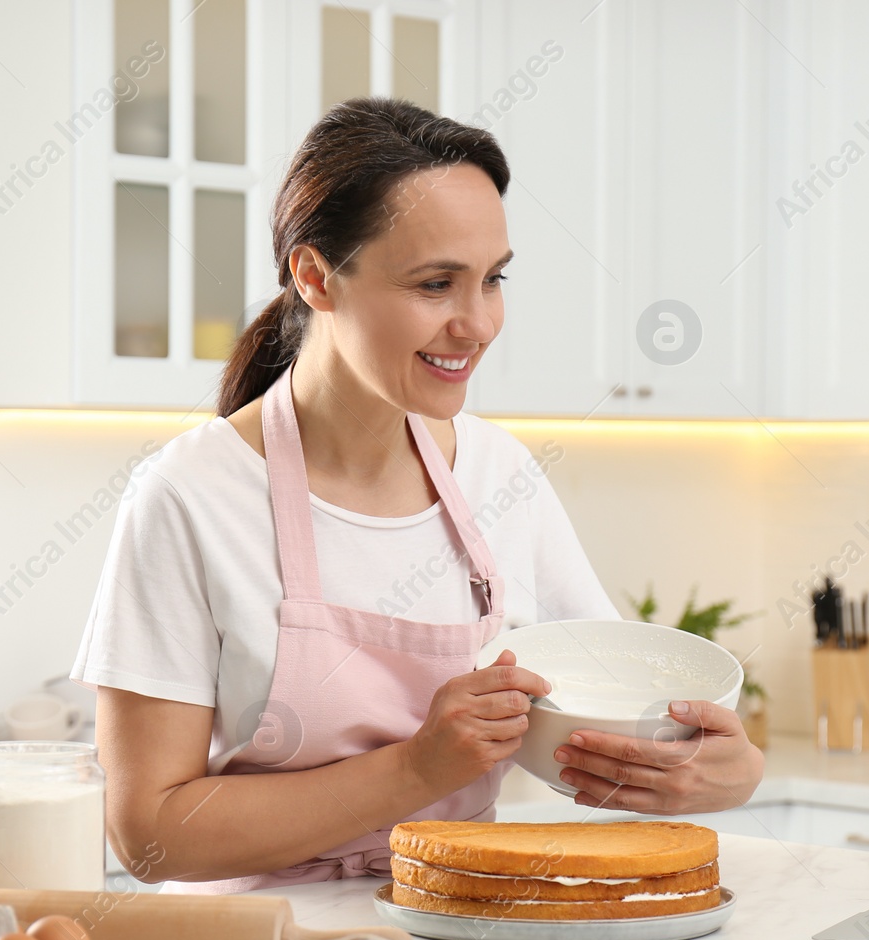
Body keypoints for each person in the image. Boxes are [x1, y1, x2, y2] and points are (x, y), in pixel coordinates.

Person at [71, 97, 764, 894]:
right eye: (437, 284)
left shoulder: (501, 476)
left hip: (463, 937)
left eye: (493, 281)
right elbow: (148, 836)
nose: (477, 324)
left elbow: (606, 718)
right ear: (315, 277)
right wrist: (416, 768)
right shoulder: (190, 497)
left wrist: (721, 770)